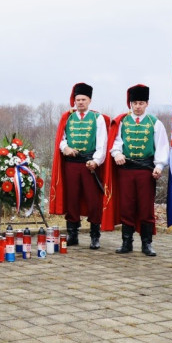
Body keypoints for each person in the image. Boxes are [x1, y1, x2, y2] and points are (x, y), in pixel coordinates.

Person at [104, 84, 169, 256]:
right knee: (127, 206)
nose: (138, 106)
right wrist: (117, 153)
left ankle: (147, 244)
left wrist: (159, 166)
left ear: (147, 104)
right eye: (135, 103)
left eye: (141, 103)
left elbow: (162, 147)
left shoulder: (155, 123)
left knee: (145, 207)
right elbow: (116, 143)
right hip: (126, 170)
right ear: (130, 104)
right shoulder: (123, 122)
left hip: (146, 170)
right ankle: (127, 242)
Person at [50, 82, 109, 249]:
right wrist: (65, 147)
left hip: (89, 164)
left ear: (89, 100)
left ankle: (94, 236)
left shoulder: (97, 118)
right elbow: (61, 139)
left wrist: (96, 161)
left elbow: (102, 143)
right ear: (74, 101)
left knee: (93, 200)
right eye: (78, 100)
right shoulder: (67, 117)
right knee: (72, 199)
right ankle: (72, 234)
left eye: (83, 99)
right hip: (71, 164)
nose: (80, 102)